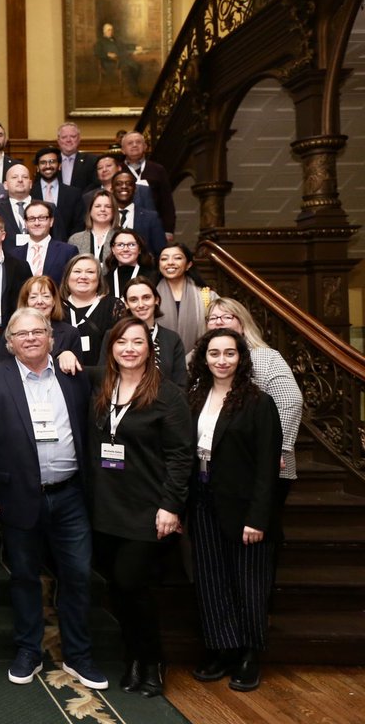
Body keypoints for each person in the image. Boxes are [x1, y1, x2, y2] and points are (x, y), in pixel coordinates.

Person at [0, 308, 107, 690]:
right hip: (17, 496)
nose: (30, 338)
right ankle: (28, 649)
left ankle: (78, 655)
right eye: (21, 333)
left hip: (71, 494)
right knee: (25, 576)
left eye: (37, 331)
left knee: (77, 575)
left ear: (51, 337)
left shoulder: (74, 376)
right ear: (8, 342)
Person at [88, 317, 193, 697]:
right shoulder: (100, 383)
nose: (129, 348)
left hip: (148, 509)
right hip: (105, 507)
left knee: (135, 583)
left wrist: (171, 506)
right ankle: (133, 658)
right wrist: (66, 353)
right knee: (118, 587)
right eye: (121, 342)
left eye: (137, 342)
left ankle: (153, 660)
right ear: (111, 348)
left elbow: (182, 456)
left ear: (149, 348)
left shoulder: (168, 395)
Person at [187, 328, 283, 693]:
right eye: (214, 353)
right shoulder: (195, 396)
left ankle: (248, 655)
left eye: (230, 353)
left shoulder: (258, 402)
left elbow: (266, 467)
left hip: (245, 507)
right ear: (204, 358)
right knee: (212, 579)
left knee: (249, 582)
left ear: (241, 358)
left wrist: (258, 518)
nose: (222, 360)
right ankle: (222, 649)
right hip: (202, 496)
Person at [204, 298, 302, 504]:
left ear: (243, 322)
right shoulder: (202, 360)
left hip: (266, 463)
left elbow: (289, 401)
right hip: (221, 466)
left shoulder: (266, 357)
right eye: (212, 318)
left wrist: (277, 450)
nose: (218, 322)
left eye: (226, 316)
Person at [107, 276, 188, 386]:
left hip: (164, 401)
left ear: (156, 300)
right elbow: (104, 377)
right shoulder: (112, 335)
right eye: (133, 300)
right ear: (126, 304)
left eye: (146, 298)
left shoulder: (172, 339)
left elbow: (180, 385)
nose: (141, 305)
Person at [61, 254, 123, 366]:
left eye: (90, 272)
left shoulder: (113, 305)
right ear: (67, 277)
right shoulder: (57, 308)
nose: (83, 276)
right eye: (77, 271)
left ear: (99, 278)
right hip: (65, 378)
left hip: (103, 377)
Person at [157, 244, 218, 354]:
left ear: (188, 265)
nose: (170, 262)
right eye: (164, 258)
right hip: (157, 362)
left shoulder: (207, 296)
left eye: (177, 258)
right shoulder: (148, 296)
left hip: (198, 361)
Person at [15, 276, 84, 371]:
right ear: (26, 302)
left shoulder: (70, 333)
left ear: (54, 301)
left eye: (46, 296)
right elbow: (5, 371)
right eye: (33, 297)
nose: (39, 302)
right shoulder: (12, 333)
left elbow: (78, 374)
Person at [8, 199, 79, 285]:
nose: (37, 223)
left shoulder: (68, 252)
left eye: (42, 218)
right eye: (32, 219)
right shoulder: (14, 255)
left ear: (51, 221)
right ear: (25, 223)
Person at [121, 131, 175, 239]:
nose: (135, 145)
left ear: (145, 147)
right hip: (124, 226)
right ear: (123, 150)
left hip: (155, 226)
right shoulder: (118, 170)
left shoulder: (158, 169)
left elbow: (167, 202)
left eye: (138, 142)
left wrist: (168, 230)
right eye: (130, 143)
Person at [30, 146, 85, 240]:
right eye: (43, 163)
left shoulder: (74, 193)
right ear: (37, 168)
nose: (48, 166)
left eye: (52, 162)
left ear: (59, 165)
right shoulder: (29, 193)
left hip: (67, 246)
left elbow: (79, 225)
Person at [111, 169, 167, 258]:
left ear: (135, 189)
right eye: (119, 184)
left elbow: (161, 252)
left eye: (129, 184)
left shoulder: (151, 217)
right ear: (112, 189)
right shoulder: (106, 216)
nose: (124, 186)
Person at [68, 189, 117, 267]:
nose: (102, 209)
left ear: (114, 211)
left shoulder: (121, 238)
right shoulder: (75, 239)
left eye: (108, 206)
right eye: (98, 206)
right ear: (90, 210)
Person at [104, 227, 158, 299]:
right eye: (120, 245)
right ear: (113, 249)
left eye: (131, 245)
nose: (125, 249)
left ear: (139, 249)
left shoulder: (152, 277)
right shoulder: (105, 280)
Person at [56, 122, 99, 194]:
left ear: (79, 139)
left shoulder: (91, 161)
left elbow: (94, 185)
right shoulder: (51, 162)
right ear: (58, 141)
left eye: (73, 136)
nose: (68, 140)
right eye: (64, 137)